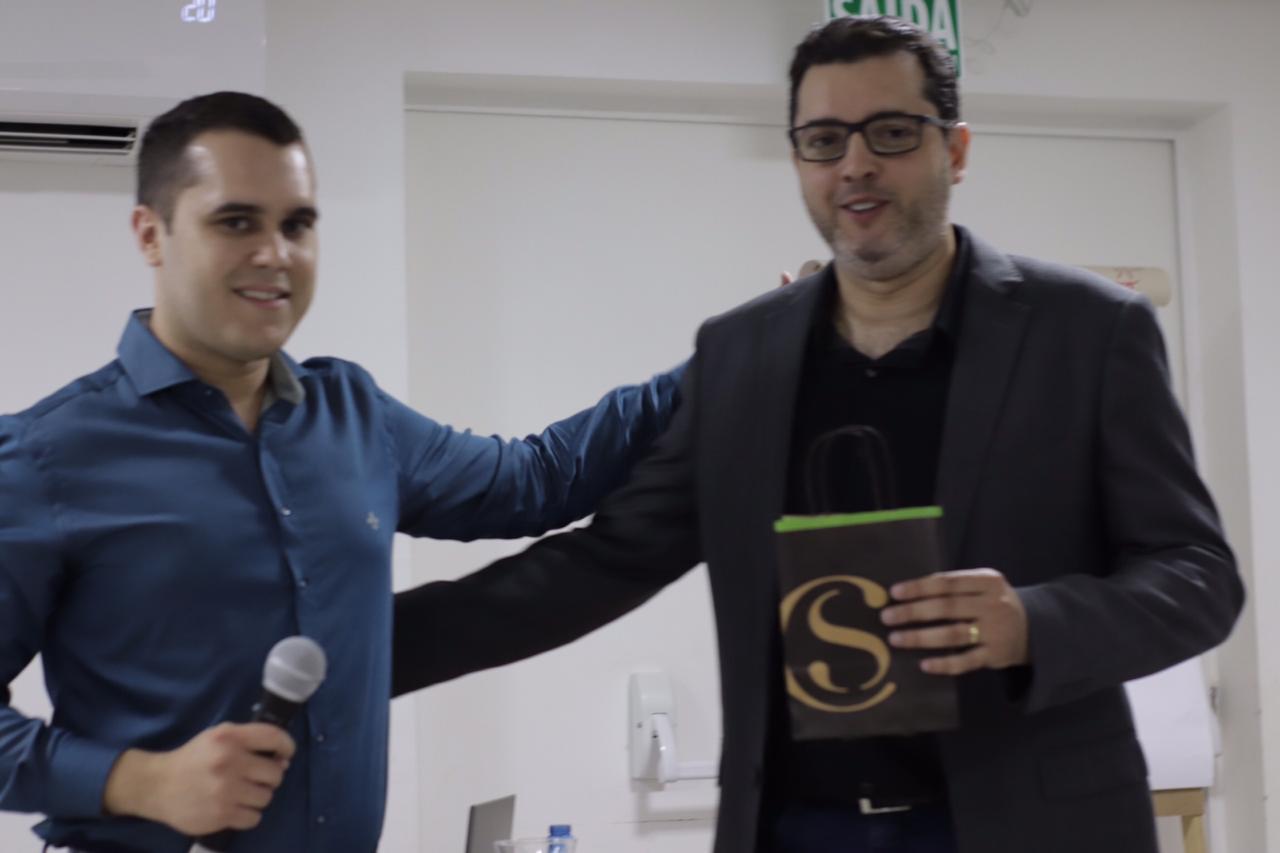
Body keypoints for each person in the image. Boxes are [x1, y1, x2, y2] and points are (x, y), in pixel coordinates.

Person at [390, 15, 1244, 853]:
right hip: (799, 827)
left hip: (1027, 823)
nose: (855, 164)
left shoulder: (1089, 330)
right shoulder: (738, 354)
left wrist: (1032, 621)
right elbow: (605, 561)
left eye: (892, 132)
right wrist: (360, 655)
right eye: (824, 140)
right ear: (799, 159)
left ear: (956, 150)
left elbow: (1199, 575)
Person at [0, 91, 684, 853]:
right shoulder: (45, 455)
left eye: (297, 224)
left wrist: (732, 357)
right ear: (150, 233)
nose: (275, 253)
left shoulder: (354, 413)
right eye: (236, 222)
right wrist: (140, 780)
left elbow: (539, 479)